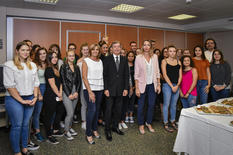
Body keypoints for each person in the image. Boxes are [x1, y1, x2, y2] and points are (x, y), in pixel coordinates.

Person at [4, 41, 40, 155]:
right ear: (17, 51)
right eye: (23, 50)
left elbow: (36, 83)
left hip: (30, 97)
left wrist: (35, 97)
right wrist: (22, 100)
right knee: (17, 125)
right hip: (14, 99)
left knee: (26, 125)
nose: (25, 52)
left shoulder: (32, 65)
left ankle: (24, 147)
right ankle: (16, 151)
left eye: (27, 50)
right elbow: (10, 86)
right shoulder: (9, 65)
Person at [103, 41, 129, 141]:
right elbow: (104, 75)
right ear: (111, 49)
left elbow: (126, 75)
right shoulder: (107, 59)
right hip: (109, 89)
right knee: (109, 110)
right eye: (115, 47)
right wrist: (105, 88)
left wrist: (126, 88)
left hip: (121, 90)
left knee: (118, 110)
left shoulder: (124, 59)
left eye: (119, 47)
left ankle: (115, 127)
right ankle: (107, 130)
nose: (117, 48)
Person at [135, 40, 161, 134]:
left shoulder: (155, 57)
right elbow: (136, 74)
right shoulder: (138, 57)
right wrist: (137, 88)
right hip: (142, 85)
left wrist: (158, 84)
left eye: (148, 45)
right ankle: (141, 124)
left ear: (151, 47)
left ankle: (148, 123)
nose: (146, 46)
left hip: (152, 85)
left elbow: (157, 71)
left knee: (151, 105)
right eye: (144, 45)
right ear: (142, 46)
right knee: (141, 106)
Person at [82, 44, 104, 144]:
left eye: (97, 49)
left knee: (97, 110)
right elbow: (84, 77)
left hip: (100, 88)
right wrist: (90, 92)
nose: (95, 51)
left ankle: (95, 129)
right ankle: (88, 133)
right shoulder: (86, 61)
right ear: (90, 51)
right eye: (93, 49)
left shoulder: (100, 61)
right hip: (89, 89)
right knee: (92, 110)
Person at [43, 51, 64, 144]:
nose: (55, 59)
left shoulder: (56, 68)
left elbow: (60, 83)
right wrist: (59, 94)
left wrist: (60, 93)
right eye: (52, 57)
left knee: (59, 112)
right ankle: (49, 135)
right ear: (49, 59)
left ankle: (55, 130)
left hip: (58, 94)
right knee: (49, 116)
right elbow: (52, 84)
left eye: (56, 57)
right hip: (50, 96)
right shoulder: (48, 69)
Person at [60, 50, 81, 141]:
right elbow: (63, 82)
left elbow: (79, 81)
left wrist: (76, 92)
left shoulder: (76, 67)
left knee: (73, 112)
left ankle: (69, 127)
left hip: (75, 91)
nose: (72, 57)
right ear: (67, 57)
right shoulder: (63, 67)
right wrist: (69, 94)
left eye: (73, 56)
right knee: (70, 113)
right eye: (70, 56)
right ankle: (66, 131)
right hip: (66, 92)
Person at [161, 45, 182, 132]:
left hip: (176, 85)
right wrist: (171, 86)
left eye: (174, 51)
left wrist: (177, 85)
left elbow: (181, 76)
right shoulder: (164, 61)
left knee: (174, 105)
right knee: (167, 104)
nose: (172, 53)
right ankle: (166, 123)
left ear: (176, 52)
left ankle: (172, 121)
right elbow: (164, 75)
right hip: (167, 86)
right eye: (170, 51)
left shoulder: (178, 62)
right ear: (167, 52)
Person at [32, 47, 47, 142]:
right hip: (39, 88)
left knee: (46, 111)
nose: (42, 55)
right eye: (40, 53)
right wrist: (39, 94)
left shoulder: (47, 63)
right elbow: (35, 81)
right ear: (38, 55)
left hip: (48, 88)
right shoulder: (35, 65)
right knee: (37, 112)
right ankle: (37, 132)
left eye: (44, 53)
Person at [77, 43, 89, 130]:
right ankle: (84, 121)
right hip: (82, 85)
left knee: (91, 104)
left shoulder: (92, 60)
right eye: (84, 49)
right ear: (81, 51)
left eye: (87, 49)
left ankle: (90, 120)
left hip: (91, 85)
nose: (85, 51)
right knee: (84, 104)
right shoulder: (78, 62)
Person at [124, 51, 136, 124]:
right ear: (127, 57)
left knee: (132, 102)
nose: (130, 57)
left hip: (134, 86)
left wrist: (134, 87)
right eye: (129, 56)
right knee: (126, 102)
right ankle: (126, 115)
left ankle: (131, 116)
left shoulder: (135, 65)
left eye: (132, 56)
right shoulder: (125, 65)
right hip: (126, 86)